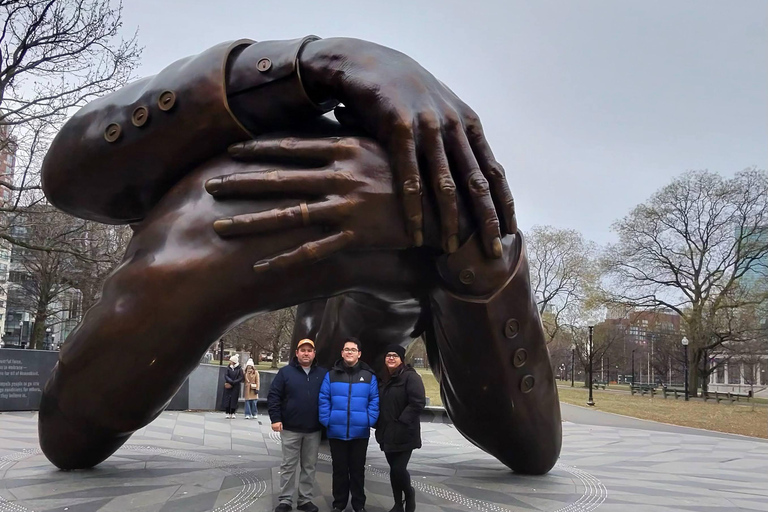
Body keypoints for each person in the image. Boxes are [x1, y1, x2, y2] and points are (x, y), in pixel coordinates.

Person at [37, 35, 561, 475]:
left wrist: (462, 229)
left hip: (358, 263)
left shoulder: (422, 227)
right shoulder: (259, 152)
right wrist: (315, 61)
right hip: (255, 207)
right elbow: (66, 174)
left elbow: (531, 446)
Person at [319, 338, 379, 512]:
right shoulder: (331, 375)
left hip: (360, 433)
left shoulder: (369, 376)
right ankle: (339, 504)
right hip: (336, 431)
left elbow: (374, 400)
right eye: (346, 349)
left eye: (353, 349)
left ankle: (358, 505)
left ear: (359, 353)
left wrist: (369, 420)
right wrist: (327, 420)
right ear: (342, 353)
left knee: (357, 471)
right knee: (339, 471)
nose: (349, 352)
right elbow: (323, 399)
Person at [267, 339, 327, 512]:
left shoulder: (323, 374)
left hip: (313, 429)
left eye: (309, 350)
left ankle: (305, 499)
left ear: (314, 353)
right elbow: (274, 396)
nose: (306, 353)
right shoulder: (285, 373)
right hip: (290, 428)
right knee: (288, 465)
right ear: (297, 353)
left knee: (309, 466)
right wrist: (275, 419)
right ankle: (285, 500)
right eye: (303, 350)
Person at [375, 344, 425, 512]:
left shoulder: (411, 377)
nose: (391, 358)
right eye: (388, 355)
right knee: (393, 470)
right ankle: (397, 503)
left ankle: (409, 494)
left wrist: (402, 421)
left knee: (399, 468)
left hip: (404, 432)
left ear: (401, 359)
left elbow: (417, 402)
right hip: (386, 432)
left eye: (395, 355)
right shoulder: (382, 379)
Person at [222, 354, 243, 418]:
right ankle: (227, 412)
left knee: (234, 399)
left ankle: (233, 412)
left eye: (231, 361)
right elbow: (226, 375)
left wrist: (234, 382)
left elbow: (241, 377)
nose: (230, 362)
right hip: (228, 385)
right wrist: (230, 381)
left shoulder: (239, 369)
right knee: (227, 398)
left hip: (236, 386)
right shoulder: (228, 368)